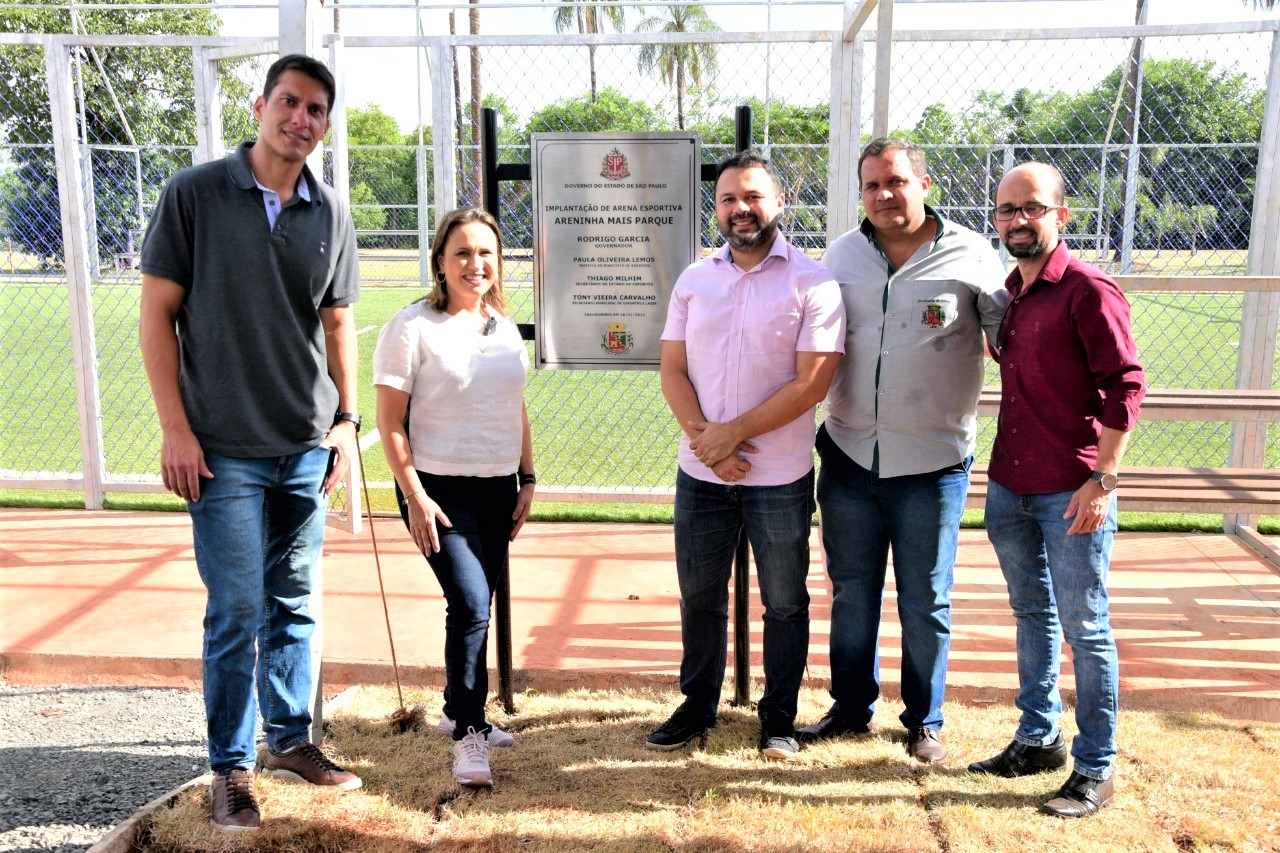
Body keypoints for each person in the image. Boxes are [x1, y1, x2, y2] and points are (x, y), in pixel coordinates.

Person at [139, 54, 363, 832]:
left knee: (294, 603)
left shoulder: (330, 211)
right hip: (222, 449)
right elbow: (156, 314)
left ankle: (292, 740)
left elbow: (337, 324)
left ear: (325, 125)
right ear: (261, 105)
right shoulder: (195, 194)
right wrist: (174, 425)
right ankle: (230, 769)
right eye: (290, 102)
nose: (301, 119)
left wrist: (347, 422)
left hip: (305, 444)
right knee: (236, 609)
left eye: (317, 110)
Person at [797, 138, 1008, 763]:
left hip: (934, 463)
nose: (885, 196)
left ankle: (924, 719)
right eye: (872, 186)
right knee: (852, 589)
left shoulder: (972, 255)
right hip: (849, 454)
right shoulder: (840, 256)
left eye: (896, 182)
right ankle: (850, 708)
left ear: (925, 183)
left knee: (926, 595)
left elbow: (1010, 340)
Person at [647, 151, 846, 760]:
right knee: (699, 593)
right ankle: (697, 704)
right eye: (730, 198)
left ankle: (779, 718)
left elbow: (812, 384)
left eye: (754, 197)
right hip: (701, 472)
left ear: (778, 203)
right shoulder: (694, 279)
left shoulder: (815, 282)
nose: (741, 209)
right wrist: (706, 442)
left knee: (784, 600)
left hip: (779, 476)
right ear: (718, 208)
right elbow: (673, 370)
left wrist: (727, 436)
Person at [967, 163, 1145, 818]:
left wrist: (1104, 477)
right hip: (1009, 485)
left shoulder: (1088, 290)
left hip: (1071, 490)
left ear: (1060, 215)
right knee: (1032, 615)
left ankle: (1095, 764)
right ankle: (1037, 736)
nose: (1017, 219)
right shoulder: (1013, 293)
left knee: (1085, 625)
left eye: (1031, 208)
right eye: (1007, 209)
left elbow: (1127, 385)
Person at [374, 207, 534, 789]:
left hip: (498, 486)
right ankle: (470, 735)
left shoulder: (502, 325)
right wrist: (415, 496)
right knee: (470, 605)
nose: (476, 264)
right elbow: (390, 423)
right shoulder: (411, 326)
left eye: (486, 252)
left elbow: (513, 406)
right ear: (440, 261)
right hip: (436, 490)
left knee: (474, 607)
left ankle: (453, 710)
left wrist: (529, 478)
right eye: (462, 252)